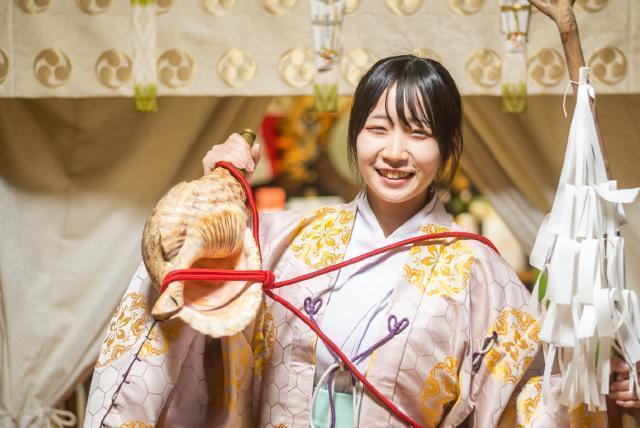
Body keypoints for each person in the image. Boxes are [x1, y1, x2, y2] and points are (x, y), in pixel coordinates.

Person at [85, 1, 639, 426]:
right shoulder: (283, 239)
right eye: (378, 128)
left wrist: (603, 382)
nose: (394, 152)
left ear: (447, 149)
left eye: (418, 133)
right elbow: (185, 289)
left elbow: (530, 396)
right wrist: (215, 198)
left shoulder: (479, 272)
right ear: (355, 139)